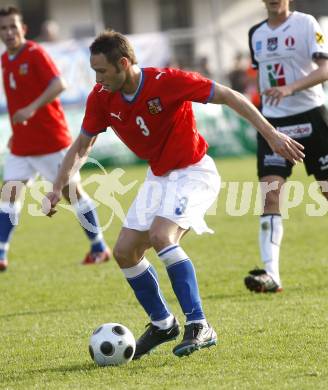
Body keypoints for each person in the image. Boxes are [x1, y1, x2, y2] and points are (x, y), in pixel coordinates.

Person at [43, 30, 304, 359]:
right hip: (159, 177)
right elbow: (83, 145)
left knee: (162, 235)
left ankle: (199, 324)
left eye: (102, 71)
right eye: (95, 72)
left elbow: (228, 95)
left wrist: (271, 134)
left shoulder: (166, 81)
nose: (98, 79)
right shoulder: (101, 97)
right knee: (125, 251)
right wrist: (56, 188)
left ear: (123, 63)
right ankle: (163, 323)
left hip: (194, 172)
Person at [0, 6, 111, 272]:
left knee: (72, 194)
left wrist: (32, 108)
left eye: (13, 26)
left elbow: (59, 84)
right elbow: (17, 103)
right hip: (23, 145)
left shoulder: (35, 54)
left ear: (23, 29)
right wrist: (16, 134)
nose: (8, 32)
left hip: (51, 141)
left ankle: (99, 247)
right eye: (3, 28)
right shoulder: (6, 60)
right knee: (8, 194)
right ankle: (1, 254)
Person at [244, 0, 328, 293]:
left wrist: (290, 88)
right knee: (270, 195)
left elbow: (325, 68)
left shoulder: (306, 23)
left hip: (312, 119)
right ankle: (271, 275)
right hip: (274, 124)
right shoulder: (255, 32)